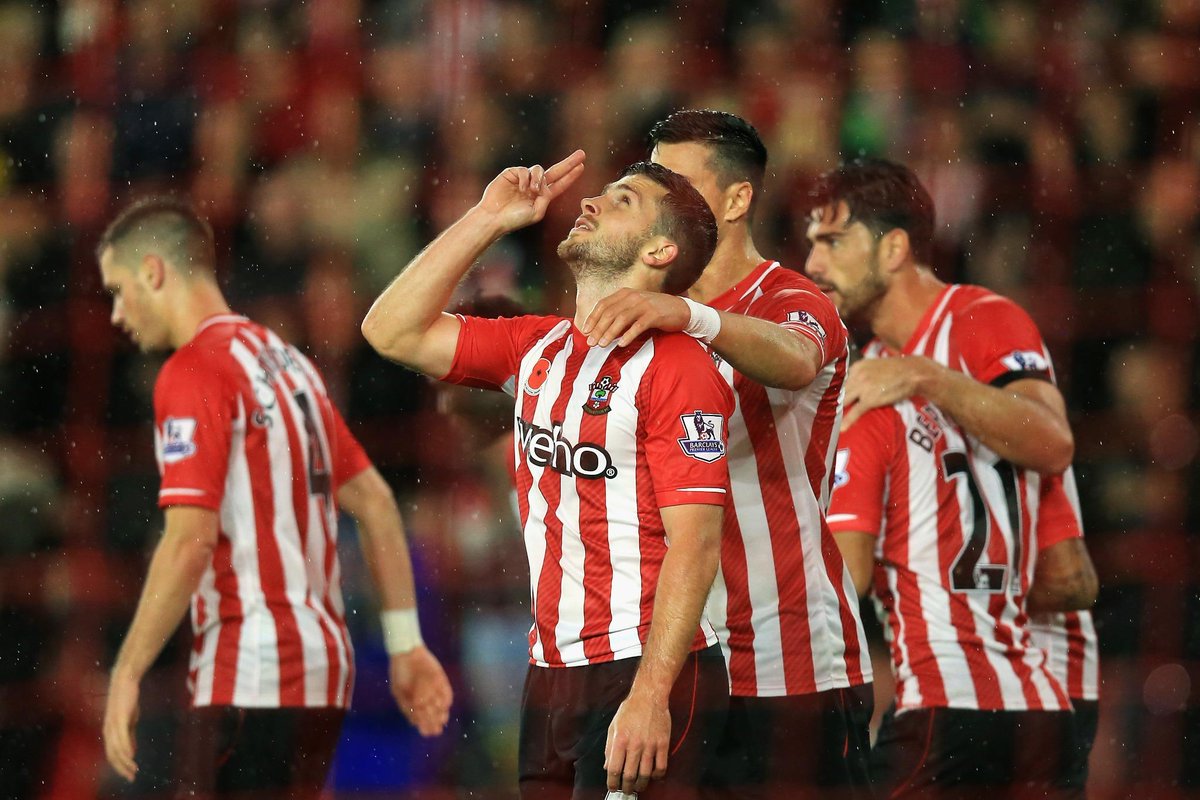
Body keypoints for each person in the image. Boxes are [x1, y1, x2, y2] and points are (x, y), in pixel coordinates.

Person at [361, 151, 733, 800]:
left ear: (659, 251)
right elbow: (389, 331)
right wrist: (487, 218)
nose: (590, 201)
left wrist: (651, 694)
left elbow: (697, 544)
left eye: (622, 201)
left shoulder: (680, 369)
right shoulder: (537, 347)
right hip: (551, 667)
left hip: (642, 666)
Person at [97, 198, 453, 799]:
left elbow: (189, 542)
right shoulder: (290, 364)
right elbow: (376, 501)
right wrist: (404, 644)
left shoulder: (192, 371)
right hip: (323, 671)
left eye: (118, 289)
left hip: (251, 667)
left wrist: (128, 671)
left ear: (154, 272)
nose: (115, 313)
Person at [579, 110, 874, 798]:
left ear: (738, 200)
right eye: (651, 181)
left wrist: (693, 318)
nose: (662, 198)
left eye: (679, 182)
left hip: (785, 661)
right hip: (666, 669)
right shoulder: (633, 308)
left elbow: (798, 360)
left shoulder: (794, 301)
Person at [804, 158, 1099, 797]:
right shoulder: (873, 372)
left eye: (831, 241)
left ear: (894, 248)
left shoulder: (977, 320)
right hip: (993, 688)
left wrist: (931, 377)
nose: (813, 264)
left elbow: (1054, 447)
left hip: (1041, 672)